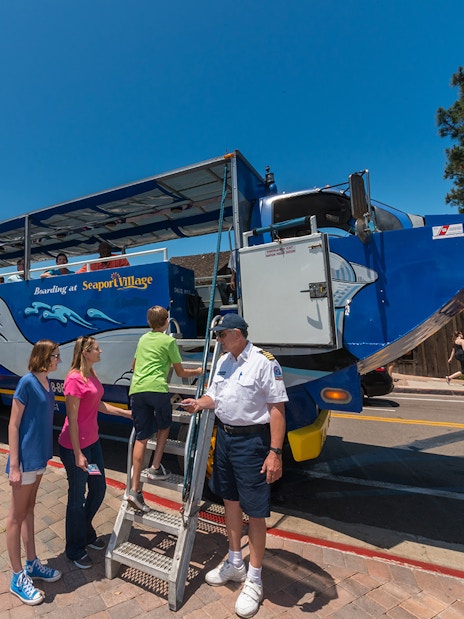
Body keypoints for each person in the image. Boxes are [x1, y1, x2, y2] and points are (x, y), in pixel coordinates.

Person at [181, 313, 288, 619]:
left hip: (252, 442)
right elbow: (217, 394)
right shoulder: (225, 360)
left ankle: (255, 580)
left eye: (222, 335)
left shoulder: (265, 362)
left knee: (254, 511)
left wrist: (274, 453)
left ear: (238, 334)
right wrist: (200, 403)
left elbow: (276, 409)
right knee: (229, 501)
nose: (218, 340)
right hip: (225, 439)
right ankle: (235, 562)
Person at [58, 335, 132, 569]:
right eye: (97, 349)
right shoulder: (73, 380)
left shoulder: (91, 374)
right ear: (85, 353)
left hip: (93, 443)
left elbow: (97, 404)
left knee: (98, 487)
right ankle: (74, 549)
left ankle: (85, 531)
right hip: (74, 448)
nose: (101, 352)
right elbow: (71, 418)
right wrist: (79, 454)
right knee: (77, 498)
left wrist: (124, 413)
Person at [126, 305, 203, 512]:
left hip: (137, 390)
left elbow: (134, 366)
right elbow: (181, 372)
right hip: (157, 390)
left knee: (141, 437)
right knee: (164, 426)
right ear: (167, 321)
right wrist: (199, 370)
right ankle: (154, 467)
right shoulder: (169, 341)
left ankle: (134, 489)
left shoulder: (143, 339)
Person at [6, 340, 62, 606]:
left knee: (29, 510)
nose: (58, 360)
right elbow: (14, 424)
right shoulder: (26, 383)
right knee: (15, 517)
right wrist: (14, 464)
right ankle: (17, 578)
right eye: (56, 356)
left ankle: (32, 564)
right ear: (44, 356)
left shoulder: (47, 382)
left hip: (40, 458)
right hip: (25, 460)